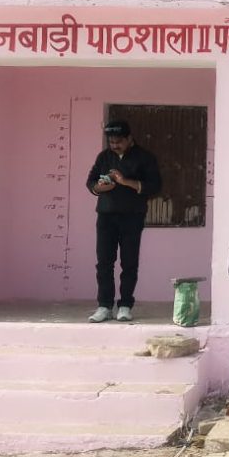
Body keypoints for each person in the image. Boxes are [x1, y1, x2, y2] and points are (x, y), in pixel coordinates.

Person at [86, 119, 162, 322]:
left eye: (118, 141)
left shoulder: (145, 157)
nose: (114, 145)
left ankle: (125, 305)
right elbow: (90, 182)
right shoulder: (104, 157)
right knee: (104, 262)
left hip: (132, 216)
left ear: (129, 138)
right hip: (106, 216)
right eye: (111, 142)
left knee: (129, 263)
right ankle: (104, 306)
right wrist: (101, 187)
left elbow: (155, 186)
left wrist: (124, 181)